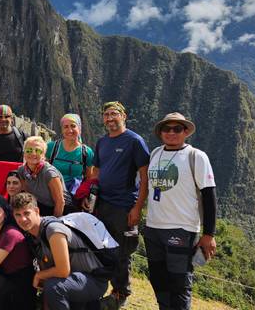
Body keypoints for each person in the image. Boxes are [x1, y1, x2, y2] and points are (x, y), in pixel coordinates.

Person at [145, 113, 217, 310]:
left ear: (186, 131)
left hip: (181, 228)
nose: (171, 133)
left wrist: (209, 234)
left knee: (179, 283)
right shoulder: (155, 153)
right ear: (160, 132)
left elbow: (209, 196)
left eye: (177, 129)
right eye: (166, 129)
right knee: (158, 280)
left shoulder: (196, 157)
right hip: (153, 227)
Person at [87, 101, 150, 309]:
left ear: (124, 116)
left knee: (122, 251)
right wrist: (91, 194)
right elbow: (96, 170)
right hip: (102, 204)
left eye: (114, 113)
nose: (110, 118)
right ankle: (102, 288)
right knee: (102, 247)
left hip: (124, 206)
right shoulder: (102, 142)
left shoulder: (134, 141)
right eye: (106, 114)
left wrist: (137, 207)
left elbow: (144, 176)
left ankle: (121, 292)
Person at [12, 192, 110, 310]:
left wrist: (39, 275)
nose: (22, 219)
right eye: (18, 215)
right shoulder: (32, 235)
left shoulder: (53, 230)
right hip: (73, 280)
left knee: (53, 287)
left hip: (94, 280)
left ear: (37, 211)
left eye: (26, 213)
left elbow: (63, 271)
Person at [17, 136, 70, 217]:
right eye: (29, 150)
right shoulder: (22, 171)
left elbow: (60, 202)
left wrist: (53, 223)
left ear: (43, 155)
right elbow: (27, 195)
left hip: (60, 210)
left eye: (38, 151)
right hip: (39, 206)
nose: (33, 153)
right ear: (24, 153)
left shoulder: (49, 173)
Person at [46, 114, 95, 199]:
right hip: (51, 194)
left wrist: (85, 197)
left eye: (73, 126)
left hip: (74, 197)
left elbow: (89, 178)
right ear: (62, 130)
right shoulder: (51, 147)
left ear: (79, 129)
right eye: (66, 127)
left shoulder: (87, 152)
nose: (70, 130)